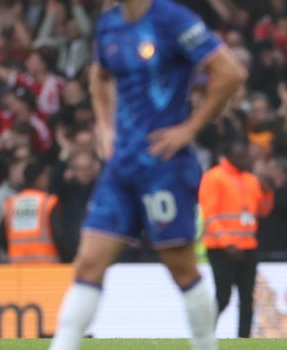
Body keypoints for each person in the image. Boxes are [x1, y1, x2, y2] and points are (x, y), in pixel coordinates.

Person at [48, 0, 246, 349]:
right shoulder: (109, 24)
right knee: (88, 264)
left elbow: (230, 72)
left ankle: (205, 344)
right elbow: (99, 74)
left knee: (182, 269)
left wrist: (190, 128)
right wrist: (106, 129)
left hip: (164, 166)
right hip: (121, 167)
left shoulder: (172, 19)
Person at [199, 139, 273, 338]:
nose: (245, 159)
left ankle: (243, 339)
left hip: (247, 248)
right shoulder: (213, 177)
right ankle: (204, 335)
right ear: (229, 156)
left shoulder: (251, 179)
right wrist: (227, 243)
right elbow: (210, 215)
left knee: (247, 299)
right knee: (223, 296)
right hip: (221, 249)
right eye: (240, 155)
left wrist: (268, 193)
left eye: (245, 155)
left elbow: (262, 211)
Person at [3, 161, 66, 264]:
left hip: (18, 269)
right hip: (47, 267)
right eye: (45, 176)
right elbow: (59, 235)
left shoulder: (11, 203)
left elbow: (1, 234)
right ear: (39, 179)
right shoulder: (47, 202)